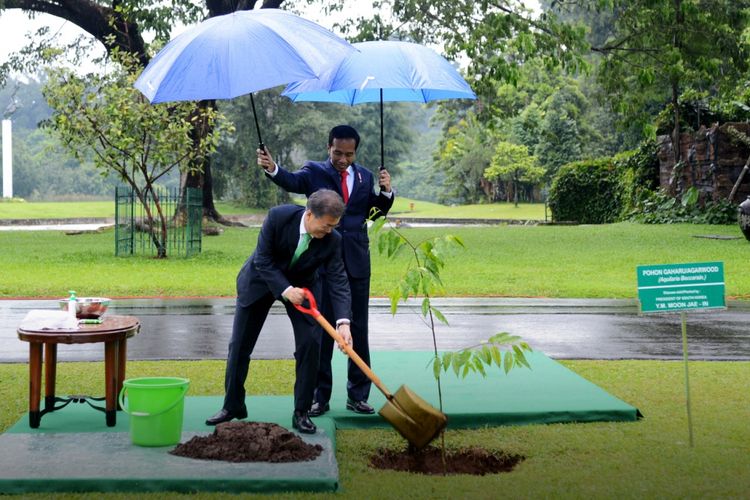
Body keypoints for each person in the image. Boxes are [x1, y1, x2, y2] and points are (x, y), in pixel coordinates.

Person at [256, 125, 393, 416]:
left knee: (358, 329)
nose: (343, 159)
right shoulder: (314, 172)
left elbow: (373, 213)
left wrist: (386, 192)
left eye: (349, 154)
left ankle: (358, 395)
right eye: (338, 152)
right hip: (322, 262)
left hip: (356, 263)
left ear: (356, 152)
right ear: (328, 147)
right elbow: (291, 181)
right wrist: (273, 168)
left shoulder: (365, 176)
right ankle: (320, 397)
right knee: (323, 331)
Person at [205, 189, 352, 434]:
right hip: (260, 282)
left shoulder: (333, 240)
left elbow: (338, 279)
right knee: (239, 345)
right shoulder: (278, 217)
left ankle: (301, 412)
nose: (329, 231)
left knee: (310, 346)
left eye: (333, 226)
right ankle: (232, 405)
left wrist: (343, 322)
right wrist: (285, 289)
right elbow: (262, 260)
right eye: (326, 226)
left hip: (304, 289)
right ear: (309, 214)